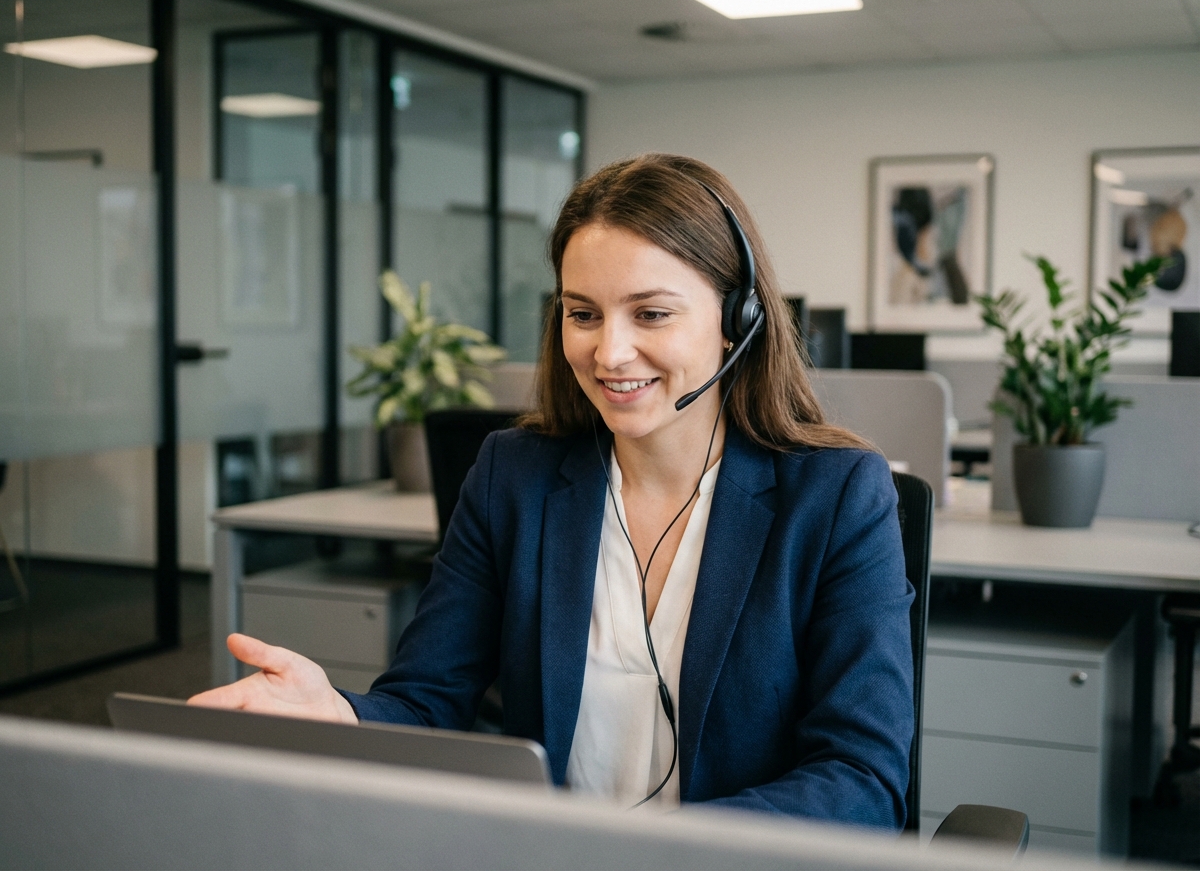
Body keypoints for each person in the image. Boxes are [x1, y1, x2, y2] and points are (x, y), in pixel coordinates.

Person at [190, 153, 915, 828]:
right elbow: (427, 701)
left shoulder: (837, 495)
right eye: (583, 313)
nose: (609, 352)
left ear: (737, 322)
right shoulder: (515, 477)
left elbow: (862, 776)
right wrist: (343, 717)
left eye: (651, 313)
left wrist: (668, 852)